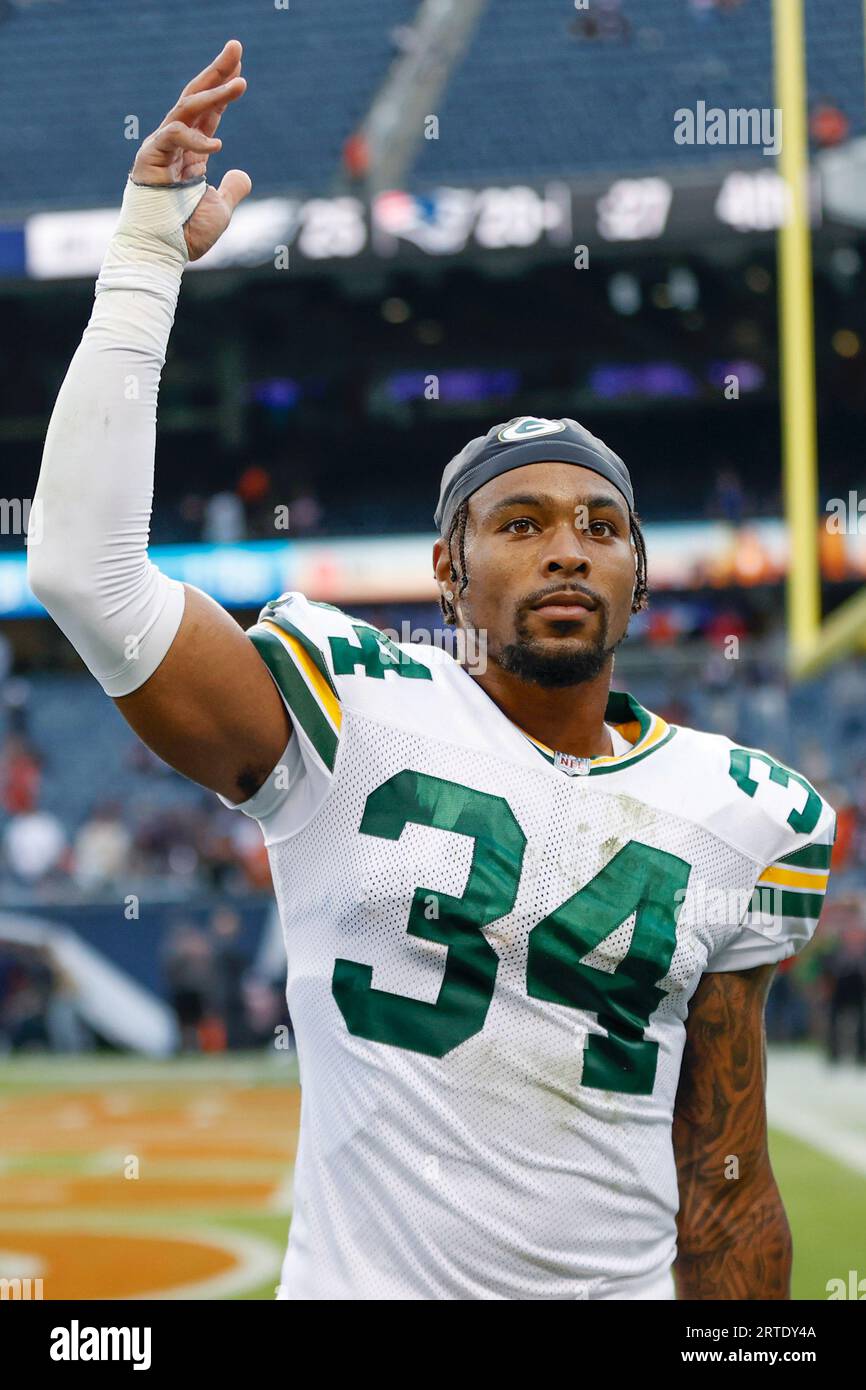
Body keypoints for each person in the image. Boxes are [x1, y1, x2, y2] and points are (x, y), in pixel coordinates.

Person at [28, 40, 837, 1301]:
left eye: (599, 524)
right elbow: (86, 574)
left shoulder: (751, 811)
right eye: (517, 524)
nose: (565, 547)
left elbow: (723, 1173)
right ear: (448, 577)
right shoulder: (345, 707)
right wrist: (141, 259)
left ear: (639, 575)